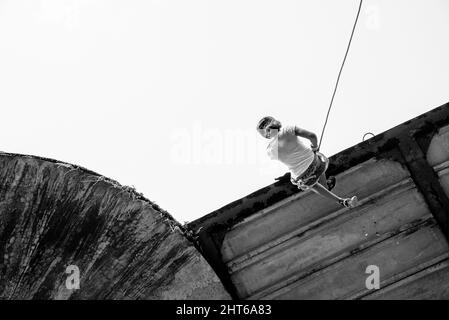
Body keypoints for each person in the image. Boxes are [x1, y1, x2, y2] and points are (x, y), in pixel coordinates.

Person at [257, 116, 358, 208]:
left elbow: (289, 157)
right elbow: (312, 136)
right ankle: (327, 186)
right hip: (316, 164)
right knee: (316, 159)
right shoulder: (288, 130)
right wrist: (314, 147)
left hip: (302, 177)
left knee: (311, 183)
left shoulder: (269, 151)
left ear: (265, 135)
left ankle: (342, 201)